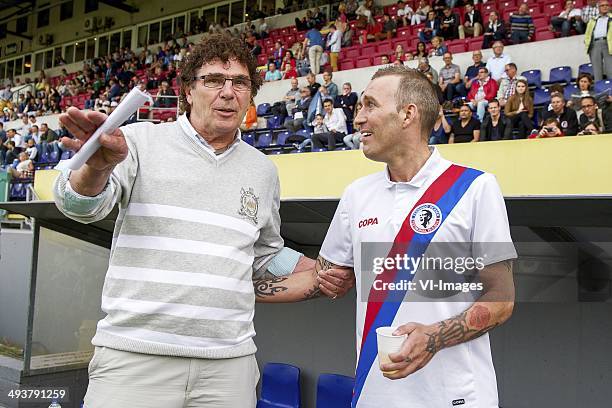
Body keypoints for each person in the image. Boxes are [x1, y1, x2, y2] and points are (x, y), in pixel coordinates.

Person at [52, 33, 353, 408]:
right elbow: (77, 207)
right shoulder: (138, 142)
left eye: (240, 83)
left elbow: (263, 253)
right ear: (188, 91)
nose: (228, 92)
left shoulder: (262, 170)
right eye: (213, 80)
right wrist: (96, 169)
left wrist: (322, 269)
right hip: (136, 358)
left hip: (229, 366)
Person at [303, 66, 516, 408]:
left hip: (456, 396)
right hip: (374, 395)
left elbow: (502, 298)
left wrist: (434, 337)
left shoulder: (476, 188)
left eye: (369, 105)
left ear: (407, 114)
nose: (359, 119)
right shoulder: (356, 194)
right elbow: (324, 276)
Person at [584, 0, 612, 81]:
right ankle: (599, 91)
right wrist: (587, 44)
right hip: (594, 45)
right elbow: (587, 34)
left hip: (608, 44)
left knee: (610, 69)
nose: (605, 7)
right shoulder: (593, 20)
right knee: (597, 71)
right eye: (602, 5)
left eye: (607, 5)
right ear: (598, 8)